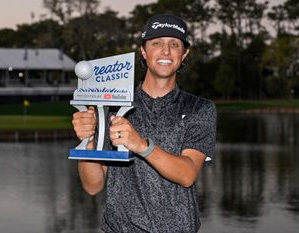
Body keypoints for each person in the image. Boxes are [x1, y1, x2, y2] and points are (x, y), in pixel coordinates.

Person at [72, 13, 217, 233]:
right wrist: (88, 142)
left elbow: (187, 175)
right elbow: (93, 186)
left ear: (184, 53)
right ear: (143, 51)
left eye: (174, 44)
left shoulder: (199, 108)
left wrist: (141, 145)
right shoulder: (110, 105)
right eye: (156, 43)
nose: (165, 51)